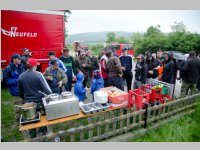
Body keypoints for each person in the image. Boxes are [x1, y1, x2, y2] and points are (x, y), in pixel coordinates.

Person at [18, 58, 52, 138]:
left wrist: (26, 99)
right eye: (36, 65)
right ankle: (43, 135)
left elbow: (20, 92)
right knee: (43, 120)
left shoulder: (21, 76)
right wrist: (50, 94)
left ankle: (32, 135)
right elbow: (47, 90)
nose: (37, 66)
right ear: (33, 66)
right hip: (39, 102)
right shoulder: (38, 74)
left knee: (30, 119)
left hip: (28, 103)